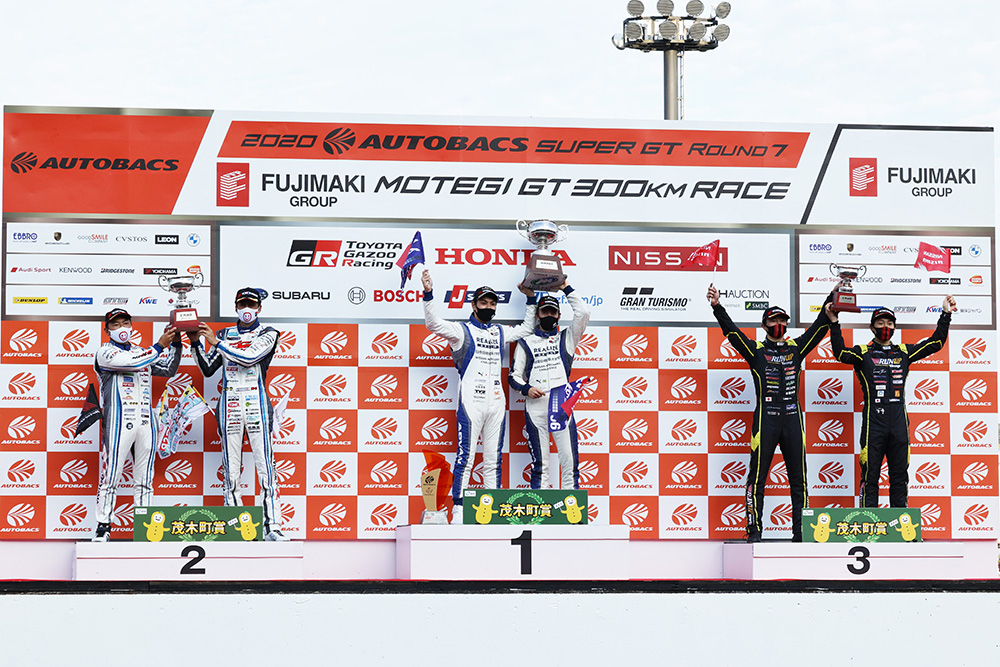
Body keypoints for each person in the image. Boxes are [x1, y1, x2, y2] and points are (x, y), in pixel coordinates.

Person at [707, 285, 832, 542]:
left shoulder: (796, 348)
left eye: (782, 321)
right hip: (766, 421)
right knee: (757, 478)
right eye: (774, 321)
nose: (779, 324)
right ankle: (754, 530)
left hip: (793, 420)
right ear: (764, 325)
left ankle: (801, 532)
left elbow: (820, 326)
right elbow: (732, 332)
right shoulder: (756, 351)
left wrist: (833, 296)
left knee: (799, 480)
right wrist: (717, 306)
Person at [421, 270, 536, 523]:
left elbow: (528, 327)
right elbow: (432, 324)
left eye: (492, 303)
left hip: (496, 402)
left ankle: (491, 511)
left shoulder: (500, 332)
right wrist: (428, 293)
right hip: (471, 401)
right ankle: (459, 510)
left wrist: (530, 298)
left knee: (493, 459)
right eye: (483, 303)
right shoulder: (460, 330)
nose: (488, 307)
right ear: (474, 305)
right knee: (466, 456)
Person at [826, 297, 955, 508]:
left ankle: (900, 522)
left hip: (898, 423)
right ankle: (868, 520)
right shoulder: (863, 353)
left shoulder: (903, 352)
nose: (885, 327)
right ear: (872, 327)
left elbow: (936, 343)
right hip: (873, 424)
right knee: (870, 475)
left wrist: (946, 314)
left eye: (889, 323)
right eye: (880, 323)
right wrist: (834, 322)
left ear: (894, 327)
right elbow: (840, 352)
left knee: (899, 476)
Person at [189, 287, 288, 541]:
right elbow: (208, 369)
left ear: (259, 308)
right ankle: (236, 527)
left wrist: (217, 343)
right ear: (235, 307)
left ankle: (272, 527)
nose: (247, 309)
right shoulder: (224, 334)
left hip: (257, 405)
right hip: (229, 406)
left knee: (266, 468)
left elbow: (249, 358)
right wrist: (195, 342)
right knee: (231, 470)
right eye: (242, 304)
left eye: (251, 305)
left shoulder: (268, 333)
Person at [92, 309, 181, 542]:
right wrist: (159, 346)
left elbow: (168, 369)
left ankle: (145, 528)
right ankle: (103, 526)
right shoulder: (105, 352)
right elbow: (131, 363)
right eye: (115, 325)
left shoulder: (143, 352)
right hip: (118, 422)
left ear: (132, 326)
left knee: (145, 478)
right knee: (111, 476)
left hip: (145, 421)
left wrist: (176, 342)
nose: (121, 328)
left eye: (125, 323)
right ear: (107, 330)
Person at [508, 283, 591, 489]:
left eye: (553, 312)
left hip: (561, 406)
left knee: (569, 461)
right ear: (537, 315)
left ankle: (571, 506)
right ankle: (540, 506)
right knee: (540, 464)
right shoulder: (525, 342)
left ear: (559, 316)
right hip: (535, 407)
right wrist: (526, 389)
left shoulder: (567, 338)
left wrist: (565, 287)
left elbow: (583, 312)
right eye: (545, 311)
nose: (549, 315)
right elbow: (513, 376)